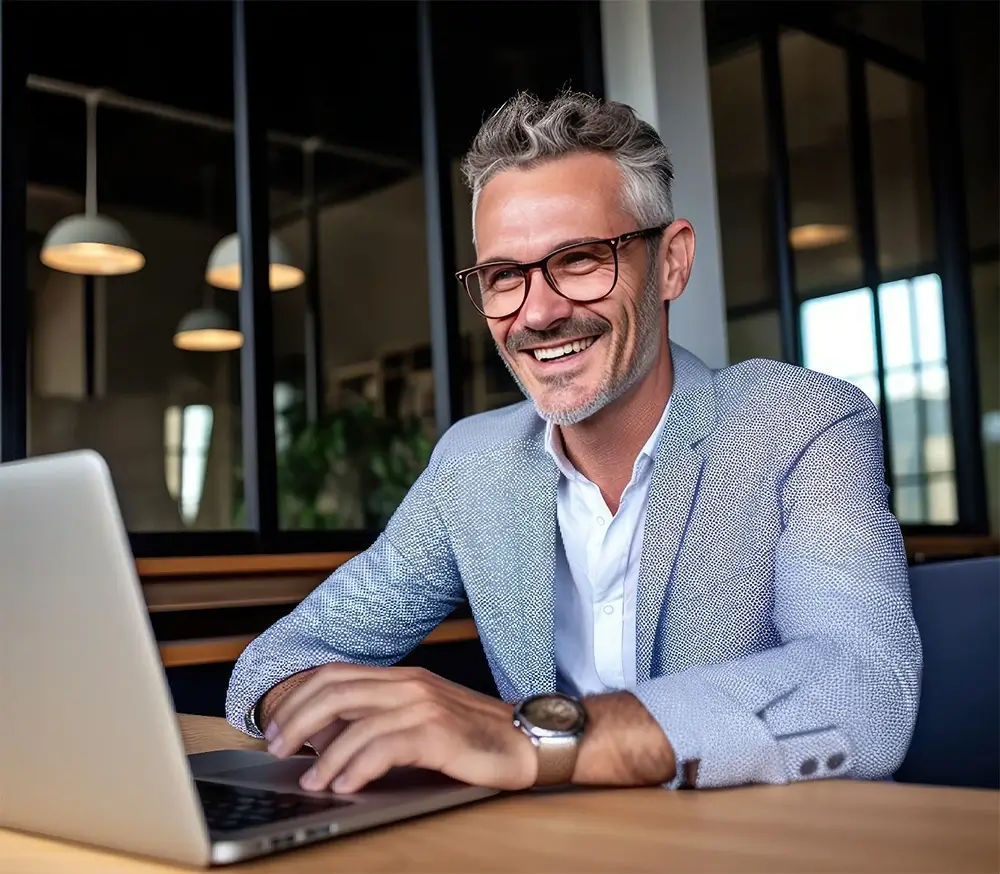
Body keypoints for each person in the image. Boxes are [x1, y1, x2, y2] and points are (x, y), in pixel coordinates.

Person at [225, 91, 921, 795]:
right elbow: (277, 659)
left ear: (672, 262)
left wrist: (531, 737)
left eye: (582, 259)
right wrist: (325, 717)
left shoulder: (803, 422)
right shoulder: (473, 465)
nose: (539, 312)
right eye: (504, 276)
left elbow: (863, 687)